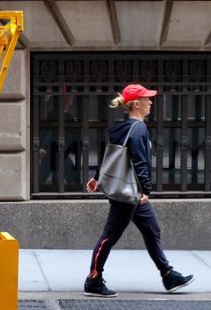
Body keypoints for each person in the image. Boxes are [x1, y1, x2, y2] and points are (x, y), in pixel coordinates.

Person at [83, 83, 194, 297]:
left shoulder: (121, 127)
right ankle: (93, 279)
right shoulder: (138, 128)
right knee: (109, 236)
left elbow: (110, 156)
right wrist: (147, 190)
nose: (150, 102)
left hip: (130, 192)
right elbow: (139, 161)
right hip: (129, 194)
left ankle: (168, 274)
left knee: (152, 230)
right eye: (147, 99)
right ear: (136, 104)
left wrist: (97, 178)